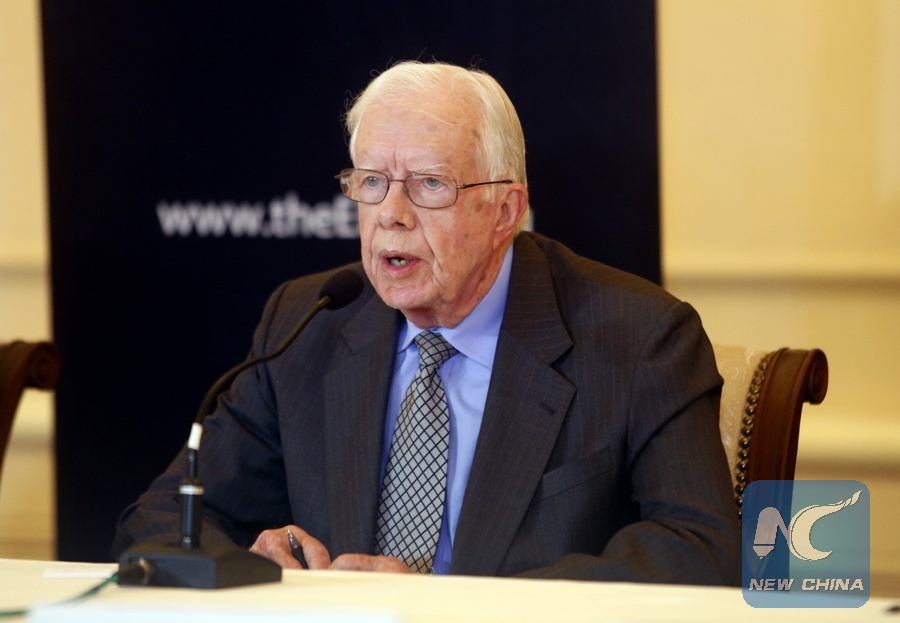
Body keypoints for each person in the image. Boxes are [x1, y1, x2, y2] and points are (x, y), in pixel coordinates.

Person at [113, 60, 740, 584]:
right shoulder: (309, 323)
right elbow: (162, 519)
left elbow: (701, 548)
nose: (391, 213)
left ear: (504, 211)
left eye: (429, 184)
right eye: (372, 181)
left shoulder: (639, 338)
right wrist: (259, 567)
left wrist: (459, 607)